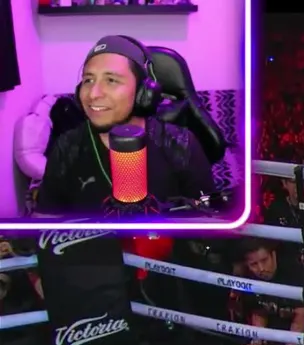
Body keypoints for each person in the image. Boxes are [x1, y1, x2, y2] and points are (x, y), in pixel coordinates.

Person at [34, 36, 215, 218]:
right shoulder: (67, 147)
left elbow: (207, 221)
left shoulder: (181, 145)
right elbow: (44, 222)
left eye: (111, 80)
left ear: (143, 92)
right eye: (88, 80)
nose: (93, 94)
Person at [238, 239, 304, 345]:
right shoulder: (249, 278)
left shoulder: (293, 272)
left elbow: (300, 315)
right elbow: (259, 310)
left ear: (273, 255)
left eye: (264, 260)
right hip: (275, 329)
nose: (261, 268)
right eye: (254, 264)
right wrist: (257, 340)